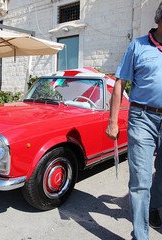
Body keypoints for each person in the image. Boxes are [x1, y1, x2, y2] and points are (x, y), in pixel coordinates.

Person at [106, 2, 162, 240]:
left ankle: (153, 208)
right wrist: (112, 121)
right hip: (142, 118)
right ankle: (141, 235)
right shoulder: (137, 46)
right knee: (141, 180)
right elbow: (120, 82)